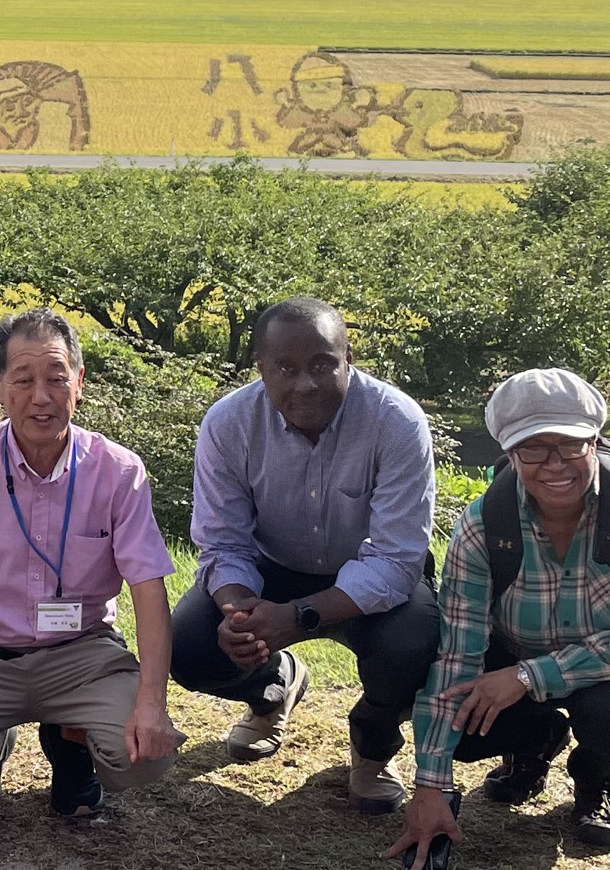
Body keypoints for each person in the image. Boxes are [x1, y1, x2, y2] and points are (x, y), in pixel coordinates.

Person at [0, 308, 181, 818]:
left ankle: (72, 744)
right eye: (23, 379)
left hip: (82, 655)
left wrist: (153, 703)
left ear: (79, 383)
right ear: (0, 387)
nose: (41, 396)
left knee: (144, 761)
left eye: (56, 378)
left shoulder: (119, 470)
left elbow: (149, 590)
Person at [392, 369, 610, 870]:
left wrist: (528, 677)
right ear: (510, 453)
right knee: (463, 727)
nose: (555, 465)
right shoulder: (482, 524)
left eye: (571, 445)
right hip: (518, 661)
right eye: (533, 448)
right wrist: (431, 785)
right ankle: (536, 743)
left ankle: (597, 777)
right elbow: (457, 652)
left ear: (594, 441)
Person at [175, 297, 441, 812]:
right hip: (267, 570)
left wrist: (299, 616)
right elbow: (223, 542)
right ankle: (272, 686)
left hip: (369, 573)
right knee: (191, 647)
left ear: (348, 358)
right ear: (261, 368)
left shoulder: (396, 421)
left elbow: (395, 558)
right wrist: (240, 614)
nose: (306, 383)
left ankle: (373, 746)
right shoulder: (228, 423)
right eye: (286, 368)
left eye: (323, 364)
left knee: (415, 648)